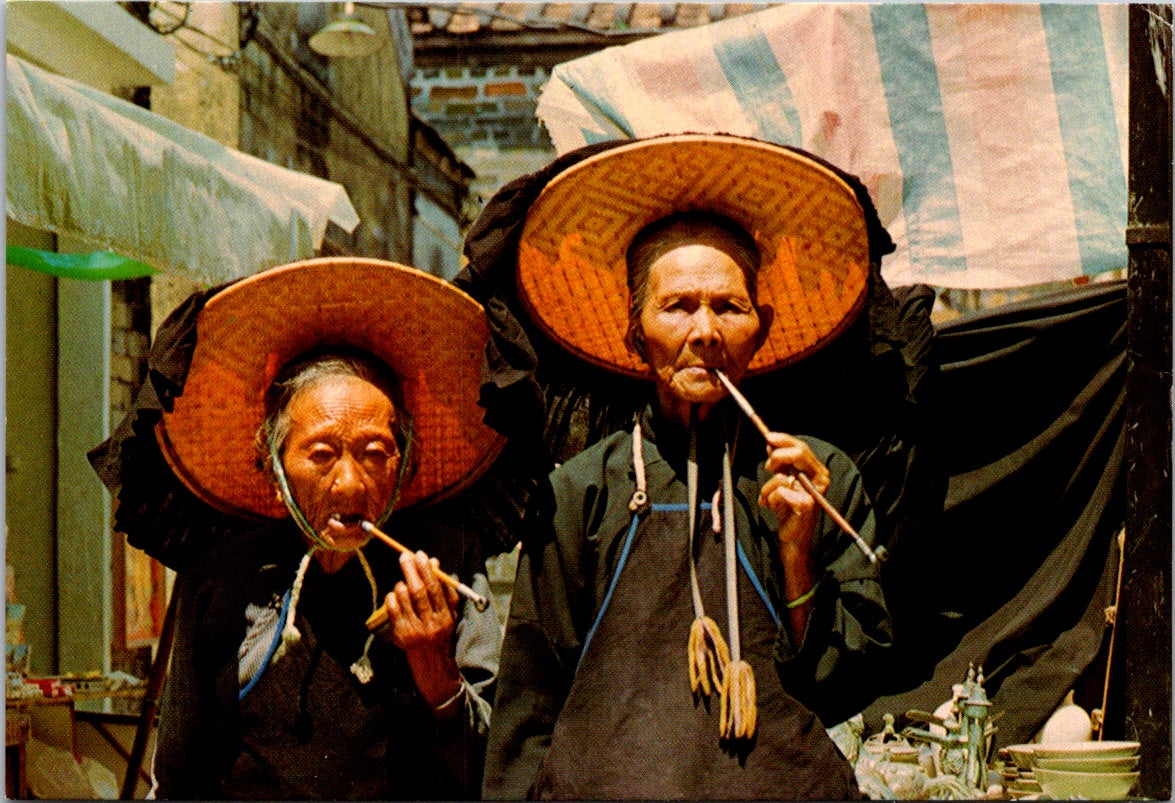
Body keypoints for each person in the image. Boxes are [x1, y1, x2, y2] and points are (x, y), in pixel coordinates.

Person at [478, 135, 893, 799]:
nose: (705, 331)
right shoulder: (580, 490)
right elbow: (529, 701)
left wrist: (797, 554)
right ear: (634, 331)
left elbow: (845, 686)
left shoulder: (817, 478)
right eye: (677, 306)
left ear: (762, 327)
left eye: (728, 306)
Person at [90, 258, 507, 799]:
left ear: (405, 463)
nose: (350, 482)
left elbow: (499, 768)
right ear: (274, 460)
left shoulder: (444, 569)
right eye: (322, 454)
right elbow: (179, 775)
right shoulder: (222, 579)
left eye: (375, 453)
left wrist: (437, 672)